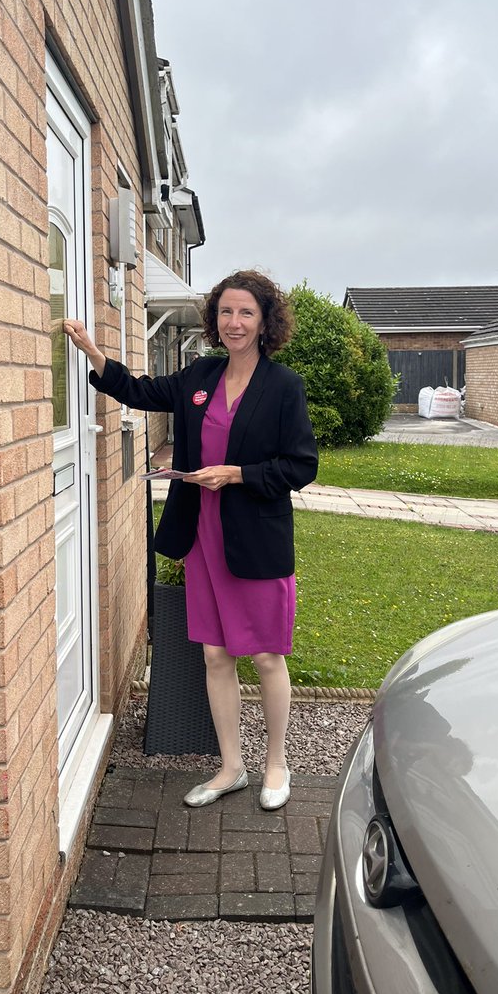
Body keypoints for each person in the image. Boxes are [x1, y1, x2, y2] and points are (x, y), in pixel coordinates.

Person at [63, 269, 318, 810]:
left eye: (246, 312)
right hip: (202, 537)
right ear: (215, 319)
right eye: (226, 312)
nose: (235, 322)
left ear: (265, 321)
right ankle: (230, 767)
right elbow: (140, 390)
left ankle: (276, 764)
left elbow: (301, 465)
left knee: (268, 657)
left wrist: (236, 475)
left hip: (255, 541)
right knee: (215, 655)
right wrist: (92, 352)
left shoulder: (284, 386)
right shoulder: (199, 375)